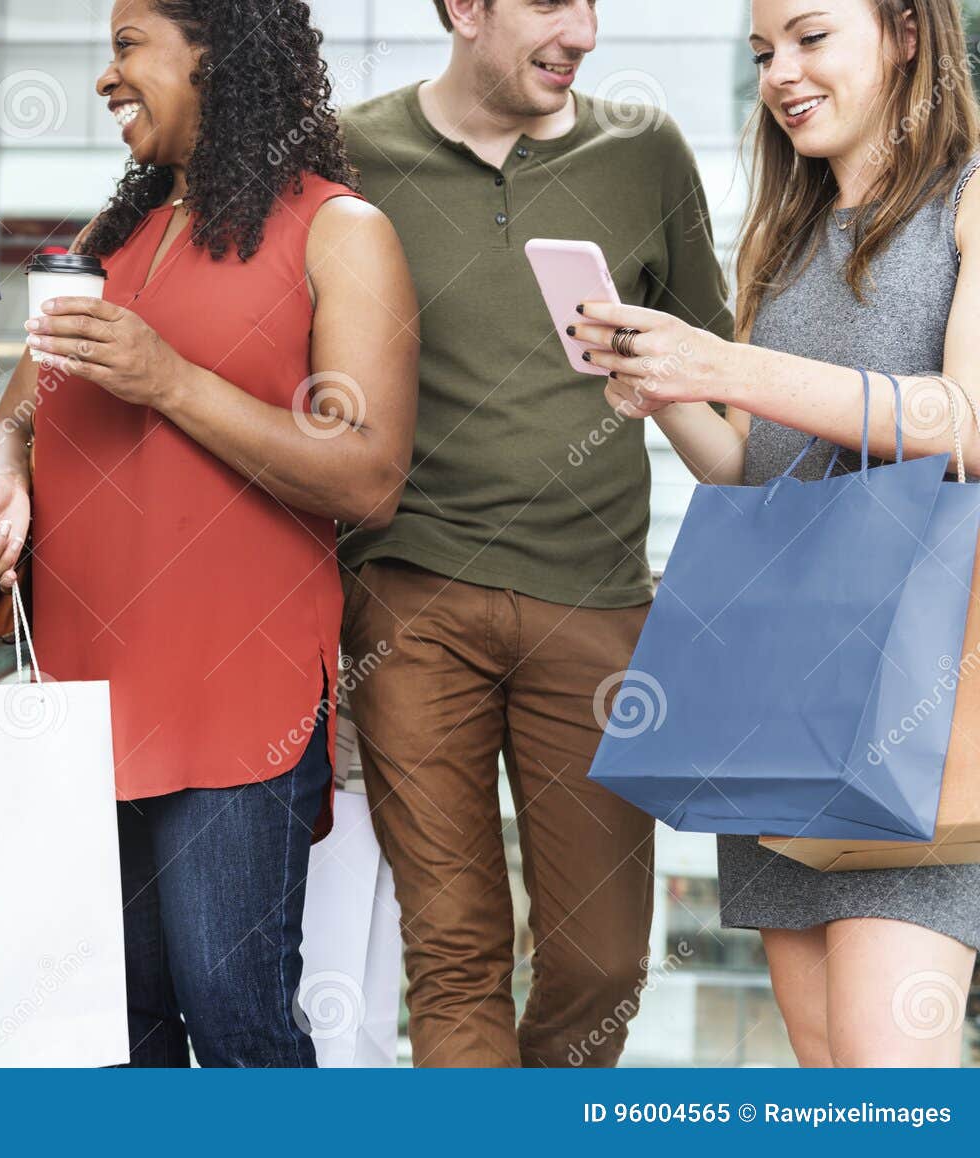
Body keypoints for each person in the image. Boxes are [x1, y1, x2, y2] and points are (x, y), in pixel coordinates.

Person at [0, 0, 418, 1067]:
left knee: (233, 1009)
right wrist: (4, 470)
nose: (107, 78)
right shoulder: (104, 245)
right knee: (118, 1025)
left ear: (212, 49)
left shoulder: (340, 231)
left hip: (234, 692)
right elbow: (8, 419)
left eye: (126, 46)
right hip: (81, 692)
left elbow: (371, 472)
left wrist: (167, 380)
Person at [573, 0, 980, 1067]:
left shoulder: (970, 201)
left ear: (903, 31)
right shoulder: (782, 234)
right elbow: (745, 468)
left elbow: (967, 422)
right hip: (783, 709)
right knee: (829, 1087)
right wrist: (664, 388)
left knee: (890, 1087)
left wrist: (722, 364)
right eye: (762, 53)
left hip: (919, 706)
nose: (780, 75)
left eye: (808, 38)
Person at [337, 0, 734, 1067]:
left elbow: (720, 373)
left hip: (600, 603)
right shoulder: (350, 156)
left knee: (601, 963)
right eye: (553, 4)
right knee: (454, 949)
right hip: (410, 601)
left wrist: (651, 365)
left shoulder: (643, 150)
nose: (586, 30)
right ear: (465, 8)